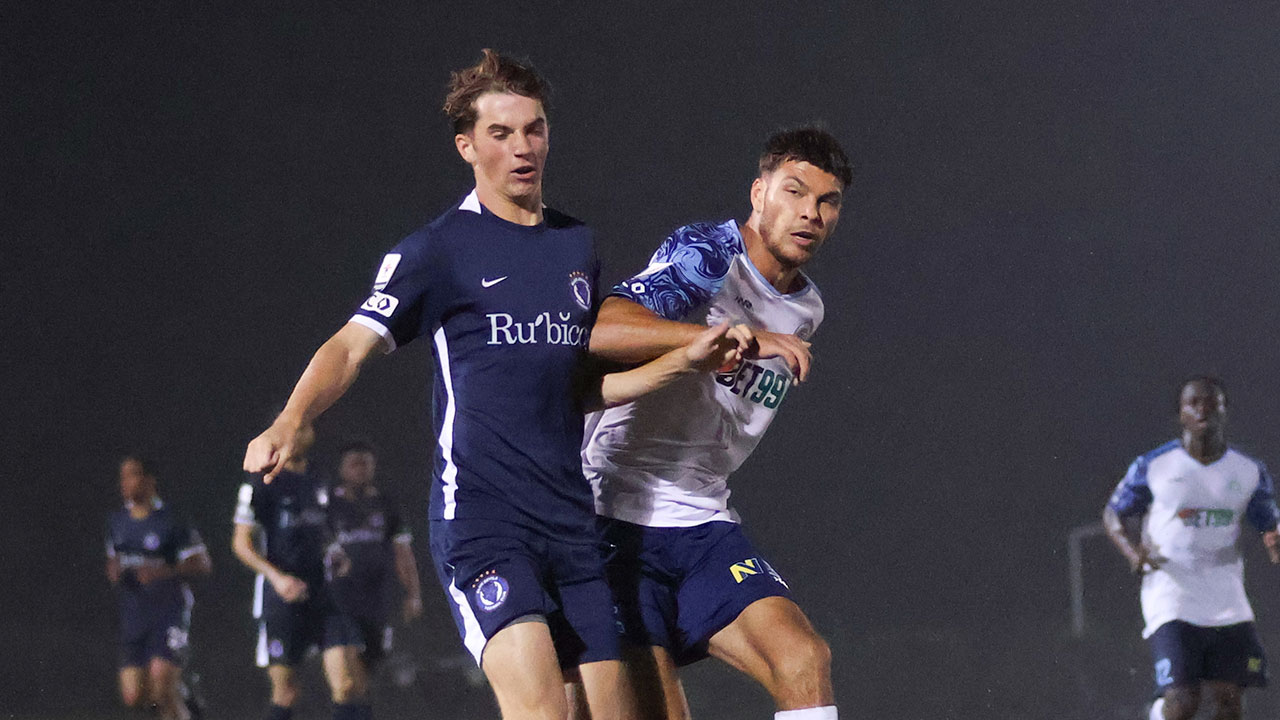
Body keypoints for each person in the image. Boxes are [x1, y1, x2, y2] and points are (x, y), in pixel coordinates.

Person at [242, 49, 744, 720]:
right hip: (484, 524)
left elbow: (575, 392)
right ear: (467, 145)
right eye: (501, 134)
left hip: (573, 524)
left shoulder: (575, 245)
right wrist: (290, 419)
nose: (521, 147)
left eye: (533, 129)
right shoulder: (437, 251)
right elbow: (349, 346)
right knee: (543, 712)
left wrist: (685, 361)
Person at [579, 127, 851, 720]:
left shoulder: (808, 308)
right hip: (613, 519)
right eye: (795, 192)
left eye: (827, 202)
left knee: (804, 659)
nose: (810, 212)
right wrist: (723, 337)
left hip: (703, 522)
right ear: (759, 194)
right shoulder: (709, 254)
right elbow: (603, 328)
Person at [1104, 375, 1280, 720]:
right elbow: (1114, 513)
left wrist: (1274, 541)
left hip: (1227, 598)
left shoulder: (1247, 471)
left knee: (1231, 704)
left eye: (1211, 403)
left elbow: (1269, 522)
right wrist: (1132, 552)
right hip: (1171, 594)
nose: (1203, 410)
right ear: (1181, 414)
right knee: (1184, 700)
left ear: (1224, 411)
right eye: (1193, 403)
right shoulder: (1154, 465)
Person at [233, 424, 369, 720]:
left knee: (346, 685)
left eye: (307, 428)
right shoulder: (261, 481)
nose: (302, 434)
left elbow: (323, 529)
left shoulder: (319, 478)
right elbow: (241, 544)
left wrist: (335, 552)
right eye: (297, 428)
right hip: (281, 598)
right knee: (286, 692)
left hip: (322, 593)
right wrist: (278, 579)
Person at [106, 454, 212, 720]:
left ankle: (181, 698)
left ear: (149, 479)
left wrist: (163, 571)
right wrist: (115, 571)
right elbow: (113, 561)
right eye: (123, 476)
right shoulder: (117, 522)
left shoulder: (171, 519)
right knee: (134, 696)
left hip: (169, 612)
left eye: (132, 475)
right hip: (134, 616)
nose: (125, 483)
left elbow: (202, 563)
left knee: (162, 689)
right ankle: (185, 694)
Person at [327, 440, 423, 678]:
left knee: (371, 666)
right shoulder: (329, 505)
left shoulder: (386, 505)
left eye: (365, 464)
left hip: (377, 600)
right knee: (346, 671)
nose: (360, 469)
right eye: (354, 464)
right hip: (339, 600)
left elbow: (403, 552)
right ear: (341, 469)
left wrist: (413, 593)